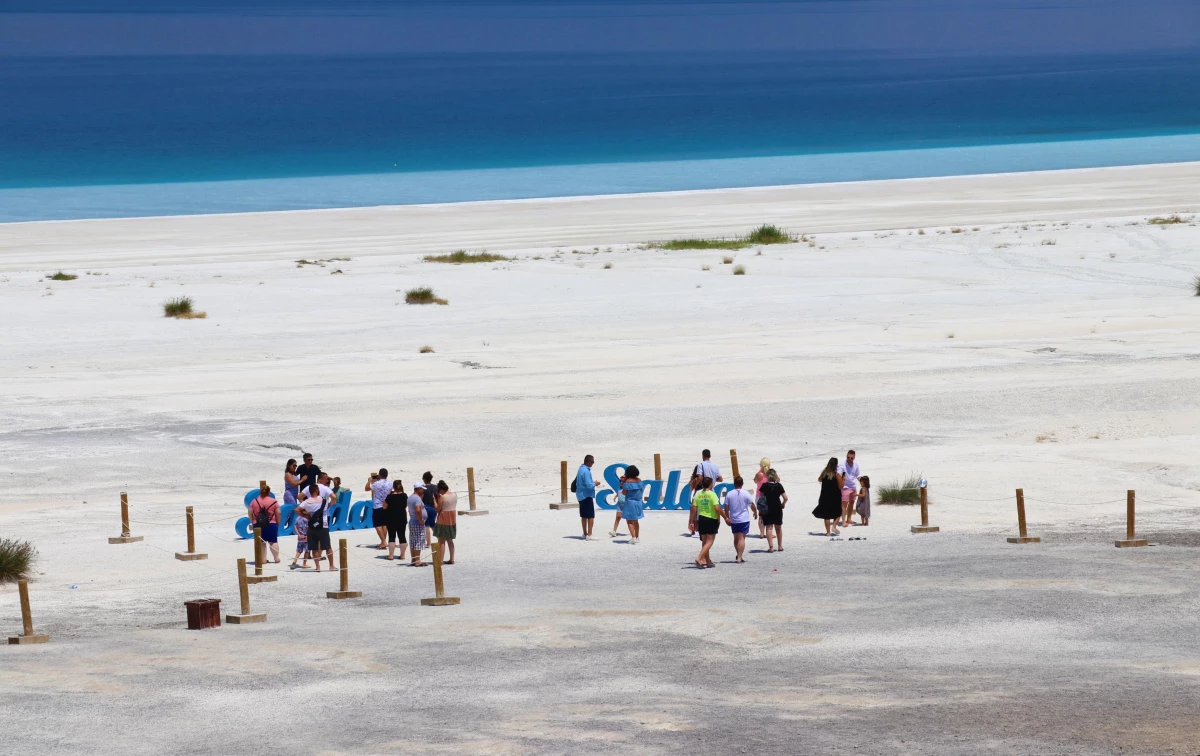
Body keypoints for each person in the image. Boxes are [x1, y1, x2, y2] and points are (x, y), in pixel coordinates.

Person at [298, 483, 335, 571]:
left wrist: (305, 515)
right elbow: (334, 497)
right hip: (323, 525)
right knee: (327, 546)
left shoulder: (306, 502)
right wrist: (329, 505)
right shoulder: (324, 499)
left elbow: (297, 510)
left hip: (311, 526)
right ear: (317, 490)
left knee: (314, 548)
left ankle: (318, 567)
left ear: (309, 492)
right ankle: (331, 566)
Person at [691, 477, 724, 568]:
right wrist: (721, 518)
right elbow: (717, 508)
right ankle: (699, 558)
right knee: (710, 541)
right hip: (711, 518)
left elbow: (694, 508)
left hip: (701, 518)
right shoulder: (712, 494)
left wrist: (692, 521)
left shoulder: (698, 494)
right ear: (711, 484)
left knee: (704, 541)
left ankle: (707, 561)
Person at [722, 475, 755, 563]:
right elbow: (752, 505)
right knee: (741, 539)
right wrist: (755, 512)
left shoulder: (729, 494)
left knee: (736, 538)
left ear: (734, 484)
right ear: (742, 484)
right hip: (743, 519)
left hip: (733, 519)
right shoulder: (746, 493)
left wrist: (727, 518)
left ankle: (738, 554)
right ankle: (739, 557)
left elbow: (726, 507)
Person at [248, 483, 281, 563]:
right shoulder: (273, 501)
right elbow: (278, 513)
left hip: (258, 524)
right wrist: (278, 522)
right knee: (273, 541)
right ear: (268, 492)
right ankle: (276, 558)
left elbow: (250, 512)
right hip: (271, 523)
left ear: (260, 492)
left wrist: (252, 522)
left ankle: (263, 559)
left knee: (261, 542)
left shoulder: (254, 501)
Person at [758, 469, 787, 551]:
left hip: (767, 508)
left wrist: (760, 509)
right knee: (778, 528)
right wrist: (783, 504)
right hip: (777, 508)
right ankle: (780, 546)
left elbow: (761, 498)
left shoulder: (764, 486)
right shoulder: (779, 486)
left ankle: (771, 547)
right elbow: (785, 497)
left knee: (769, 528)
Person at [813, 458, 844, 536]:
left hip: (824, 496)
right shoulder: (837, 475)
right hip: (835, 496)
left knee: (826, 515)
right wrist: (843, 479)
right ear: (836, 465)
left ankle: (828, 532)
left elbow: (819, 479)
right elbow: (841, 486)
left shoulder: (824, 473)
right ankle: (834, 526)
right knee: (838, 512)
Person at [620, 465, 645, 544]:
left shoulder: (628, 481)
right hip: (638, 502)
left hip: (630, 502)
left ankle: (633, 537)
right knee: (636, 521)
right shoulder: (639, 480)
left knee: (629, 521)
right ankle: (637, 537)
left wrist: (623, 483)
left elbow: (624, 493)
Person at [434, 480, 458, 564]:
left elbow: (438, 509)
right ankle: (452, 559)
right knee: (450, 540)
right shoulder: (454, 495)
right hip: (452, 519)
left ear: (441, 489)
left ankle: (440, 560)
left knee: (441, 541)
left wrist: (434, 500)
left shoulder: (442, 497)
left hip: (443, 519)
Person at [367, 468, 391, 549]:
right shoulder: (390, 483)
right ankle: (383, 541)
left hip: (378, 505)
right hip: (386, 505)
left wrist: (369, 481)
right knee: (384, 524)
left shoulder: (377, 483)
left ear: (379, 475)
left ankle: (384, 542)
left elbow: (367, 488)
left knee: (377, 525)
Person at [384, 479, 408, 561]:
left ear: (393, 487)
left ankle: (391, 555)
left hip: (391, 518)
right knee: (402, 536)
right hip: (402, 518)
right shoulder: (404, 496)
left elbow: (384, 507)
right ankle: (403, 555)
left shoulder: (390, 496)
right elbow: (406, 505)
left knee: (391, 536)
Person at [576, 455, 597, 540]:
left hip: (580, 495)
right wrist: (595, 483)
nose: (593, 463)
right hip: (586, 495)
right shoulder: (586, 471)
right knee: (590, 516)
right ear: (588, 462)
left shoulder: (580, 469)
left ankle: (585, 533)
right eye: (592, 462)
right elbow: (589, 485)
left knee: (583, 515)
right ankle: (589, 534)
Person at [838, 450, 861, 528]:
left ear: (854, 457)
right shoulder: (842, 464)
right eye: (848, 457)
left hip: (853, 486)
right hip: (845, 487)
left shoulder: (856, 464)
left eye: (851, 458)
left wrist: (862, 482)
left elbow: (858, 475)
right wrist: (841, 482)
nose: (849, 459)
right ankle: (843, 521)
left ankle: (849, 519)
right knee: (844, 504)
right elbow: (838, 474)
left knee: (851, 502)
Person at [408, 482, 430, 566]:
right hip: (417, 522)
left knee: (413, 541)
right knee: (418, 541)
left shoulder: (410, 497)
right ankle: (417, 560)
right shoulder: (417, 498)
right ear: (418, 489)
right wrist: (420, 520)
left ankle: (414, 559)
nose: (423, 491)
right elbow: (418, 509)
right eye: (422, 489)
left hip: (412, 521)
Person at [753, 457, 770, 539]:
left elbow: (755, 481)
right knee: (769, 515)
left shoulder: (759, 474)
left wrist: (759, 471)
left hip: (759, 496)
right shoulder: (771, 474)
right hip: (769, 497)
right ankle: (768, 532)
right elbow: (778, 480)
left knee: (761, 515)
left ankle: (762, 533)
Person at [290, 501, 310, 569]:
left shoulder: (298, 518)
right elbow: (308, 527)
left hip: (300, 536)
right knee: (307, 551)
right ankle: (304, 564)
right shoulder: (307, 518)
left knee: (299, 550)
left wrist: (298, 534)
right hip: (305, 536)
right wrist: (307, 535)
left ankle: (294, 561)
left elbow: (295, 526)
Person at [421, 471, 437, 545]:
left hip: (425, 508)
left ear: (424, 479)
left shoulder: (422, 489)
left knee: (426, 525)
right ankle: (439, 538)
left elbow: (420, 499)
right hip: (433, 508)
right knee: (433, 524)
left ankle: (428, 543)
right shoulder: (435, 487)